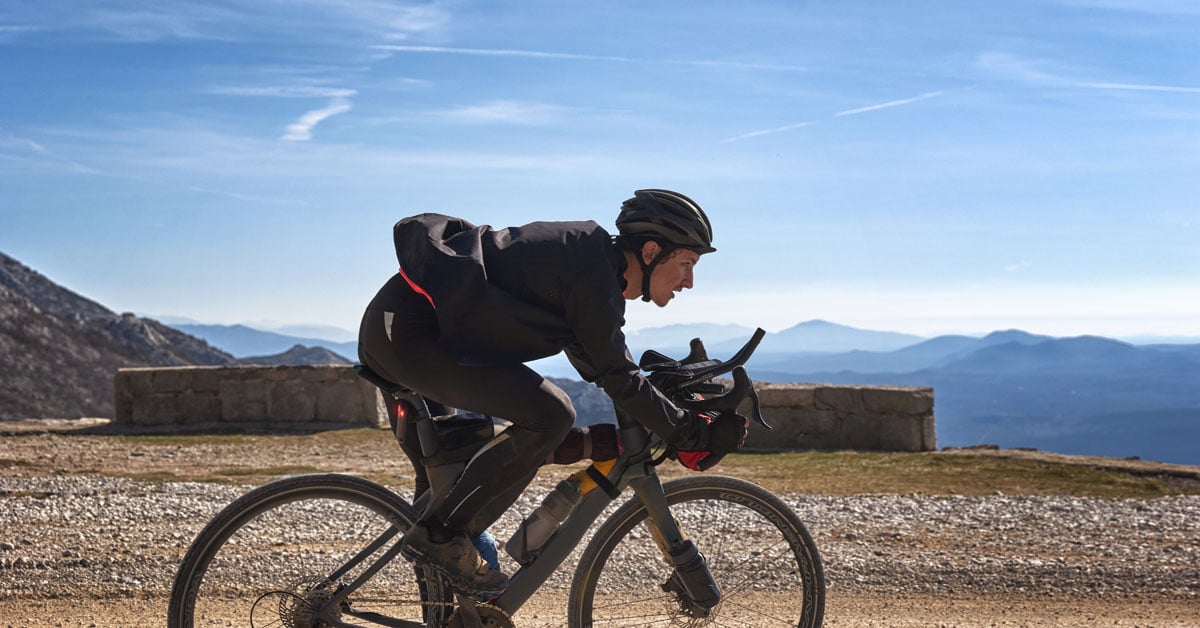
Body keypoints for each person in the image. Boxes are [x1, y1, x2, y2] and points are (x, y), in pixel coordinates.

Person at [357, 189, 749, 595]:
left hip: (402, 330)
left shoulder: (589, 266)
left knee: (456, 474)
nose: (689, 281)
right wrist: (690, 433)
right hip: (406, 333)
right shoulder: (592, 272)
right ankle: (440, 539)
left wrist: (664, 416)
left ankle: (445, 599)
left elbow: (608, 370)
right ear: (651, 251)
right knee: (552, 412)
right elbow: (618, 375)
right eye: (686, 263)